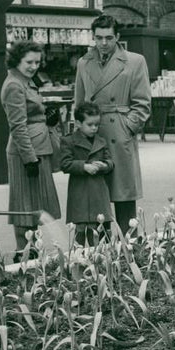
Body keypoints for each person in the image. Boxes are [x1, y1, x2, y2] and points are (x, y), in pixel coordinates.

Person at [74, 14, 151, 235]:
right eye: (99, 38)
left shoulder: (135, 61)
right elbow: (79, 102)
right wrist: (80, 132)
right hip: (92, 133)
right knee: (96, 196)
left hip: (118, 133)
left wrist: (127, 127)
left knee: (124, 196)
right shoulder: (83, 63)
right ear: (93, 38)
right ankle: (102, 253)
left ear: (117, 37)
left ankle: (131, 249)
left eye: (109, 37)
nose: (104, 43)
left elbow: (143, 103)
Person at [0, 40, 62, 257]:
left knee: (34, 205)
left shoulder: (24, 81)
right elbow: (17, 126)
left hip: (36, 148)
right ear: (17, 60)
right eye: (29, 62)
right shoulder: (15, 85)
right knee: (24, 206)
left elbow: (31, 114)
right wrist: (29, 158)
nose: (34, 66)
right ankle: (24, 253)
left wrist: (47, 118)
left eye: (37, 62)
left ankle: (31, 251)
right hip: (27, 152)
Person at [60, 102, 115, 245]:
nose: (94, 128)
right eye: (90, 124)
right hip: (80, 193)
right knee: (80, 229)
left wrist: (104, 166)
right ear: (78, 123)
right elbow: (65, 164)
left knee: (99, 230)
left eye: (97, 125)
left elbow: (110, 162)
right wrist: (83, 166)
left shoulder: (101, 141)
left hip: (98, 192)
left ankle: (99, 261)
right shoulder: (69, 141)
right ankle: (79, 261)